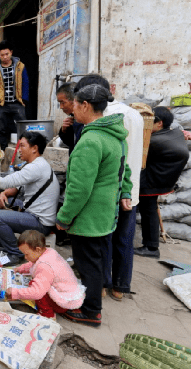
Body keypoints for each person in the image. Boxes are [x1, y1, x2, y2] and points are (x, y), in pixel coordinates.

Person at [56, 84, 132, 327]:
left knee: (87, 264)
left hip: (88, 217)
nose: (72, 111)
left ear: (85, 106)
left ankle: (91, 311)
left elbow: (79, 189)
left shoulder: (90, 141)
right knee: (97, 261)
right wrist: (127, 191)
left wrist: (64, 217)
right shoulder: (115, 136)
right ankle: (93, 305)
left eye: (74, 106)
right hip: (106, 214)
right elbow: (125, 169)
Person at [74, 75, 143, 302]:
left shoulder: (104, 120)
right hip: (128, 188)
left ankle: (100, 287)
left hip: (107, 191)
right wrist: (127, 189)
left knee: (101, 243)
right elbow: (133, 158)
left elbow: (85, 180)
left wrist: (65, 217)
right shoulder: (136, 115)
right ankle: (120, 288)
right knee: (124, 240)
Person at [0, 131, 60, 266]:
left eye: (22, 146)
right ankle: (4, 240)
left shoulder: (36, 167)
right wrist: (5, 193)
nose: (19, 150)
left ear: (34, 148)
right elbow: (17, 186)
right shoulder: (35, 164)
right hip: (31, 212)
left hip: (40, 223)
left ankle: (15, 253)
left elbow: (6, 182)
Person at [135, 106, 189, 259]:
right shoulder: (176, 133)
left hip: (152, 181)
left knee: (147, 212)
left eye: (149, 122)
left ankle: (151, 248)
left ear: (159, 124)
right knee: (148, 211)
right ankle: (150, 245)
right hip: (162, 179)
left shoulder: (154, 141)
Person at [6, 231, 85, 320]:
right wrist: (21, 269)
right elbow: (33, 263)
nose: (25, 257)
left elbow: (37, 293)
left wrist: (15, 293)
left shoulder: (44, 266)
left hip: (63, 302)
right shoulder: (49, 252)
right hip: (70, 294)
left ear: (38, 249)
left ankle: (47, 314)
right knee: (39, 282)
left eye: (26, 254)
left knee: (36, 286)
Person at [0, 40, 29, 150]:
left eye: (7, 54)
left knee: (22, 127)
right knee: (2, 129)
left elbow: (25, 82)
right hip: (1, 104)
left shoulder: (20, 66)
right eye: (2, 55)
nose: (5, 57)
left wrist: (24, 99)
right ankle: (4, 151)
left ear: (11, 52)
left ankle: (23, 149)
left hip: (17, 102)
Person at [56, 82, 83, 154]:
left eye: (63, 102)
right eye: (59, 103)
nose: (61, 107)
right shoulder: (73, 118)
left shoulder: (84, 120)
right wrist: (64, 131)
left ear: (74, 100)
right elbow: (70, 142)